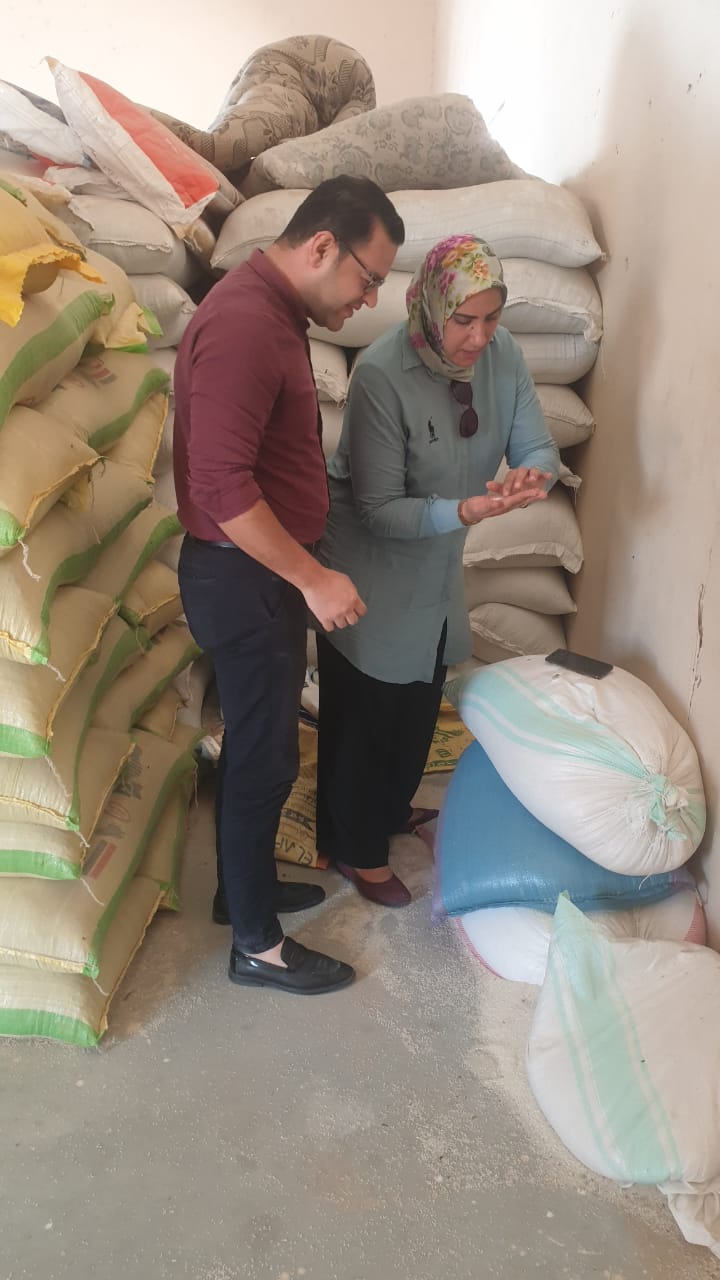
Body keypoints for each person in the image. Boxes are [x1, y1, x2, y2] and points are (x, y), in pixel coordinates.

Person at [173, 176, 405, 993]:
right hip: (248, 578)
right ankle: (257, 948)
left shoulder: (273, 314)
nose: (368, 299)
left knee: (259, 749)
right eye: (367, 279)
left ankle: (241, 894)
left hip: (256, 576)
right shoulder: (245, 324)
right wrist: (311, 578)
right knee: (264, 758)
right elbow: (222, 486)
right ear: (321, 246)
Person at [314, 234, 561, 906]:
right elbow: (379, 509)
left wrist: (533, 475)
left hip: (437, 554)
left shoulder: (503, 357)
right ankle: (354, 849)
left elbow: (537, 444)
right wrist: (468, 509)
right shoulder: (381, 375)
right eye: (464, 320)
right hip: (369, 560)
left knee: (419, 696)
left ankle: (387, 812)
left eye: (492, 318)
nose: (480, 337)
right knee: (366, 711)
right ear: (430, 307)